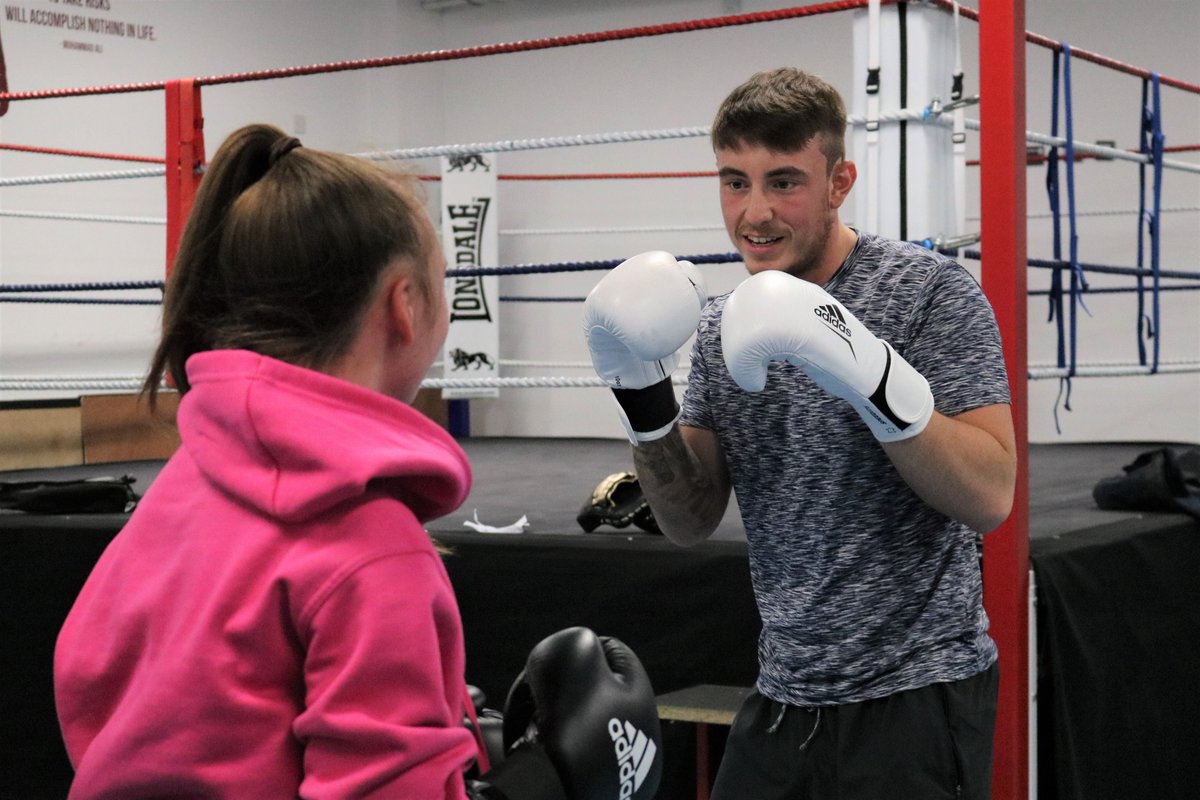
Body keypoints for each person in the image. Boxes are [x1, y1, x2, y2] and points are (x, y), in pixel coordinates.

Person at [54, 123, 663, 800]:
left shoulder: (183, 486)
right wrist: (541, 785)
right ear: (404, 306)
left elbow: (96, 688)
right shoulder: (370, 548)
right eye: (443, 282)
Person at [584, 68, 1016, 799]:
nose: (755, 213)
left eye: (784, 182)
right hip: (783, 696)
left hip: (916, 696)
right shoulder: (724, 321)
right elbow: (689, 519)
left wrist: (871, 375)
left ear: (840, 179)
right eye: (734, 182)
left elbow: (990, 495)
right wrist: (641, 396)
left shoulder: (929, 293)